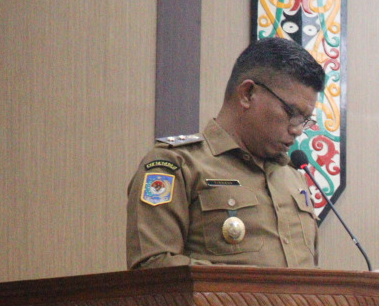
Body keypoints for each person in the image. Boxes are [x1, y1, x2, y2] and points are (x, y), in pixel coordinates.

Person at [127, 38, 325, 269]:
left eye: (304, 120)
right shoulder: (175, 165)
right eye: (292, 113)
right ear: (247, 94)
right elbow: (152, 267)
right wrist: (255, 287)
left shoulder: (294, 177)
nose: (297, 129)